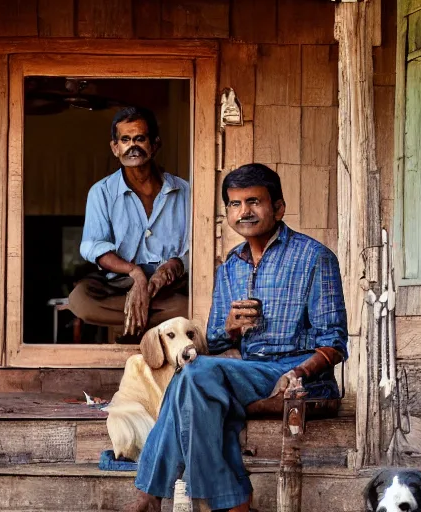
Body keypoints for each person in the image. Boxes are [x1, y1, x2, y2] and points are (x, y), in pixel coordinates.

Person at [124, 163, 348, 511]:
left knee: (193, 377)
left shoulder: (314, 257)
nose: (244, 211)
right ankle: (225, 501)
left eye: (254, 202)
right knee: (194, 381)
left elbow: (334, 343)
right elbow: (213, 344)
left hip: (295, 373)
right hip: (244, 371)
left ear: (278, 207)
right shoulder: (230, 265)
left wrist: (297, 374)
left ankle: (159, 493)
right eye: (234, 204)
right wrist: (228, 328)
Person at [68, 107, 190, 342]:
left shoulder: (185, 191)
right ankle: (152, 321)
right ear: (115, 148)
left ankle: (135, 321)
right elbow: (93, 246)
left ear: (155, 144)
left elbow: (199, 245)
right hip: (120, 283)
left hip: (170, 287)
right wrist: (135, 274)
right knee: (80, 300)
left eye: (140, 139)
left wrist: (173, 265)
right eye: (125, 139)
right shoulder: (101, 192)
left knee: (192, 306)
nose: (133, 146)